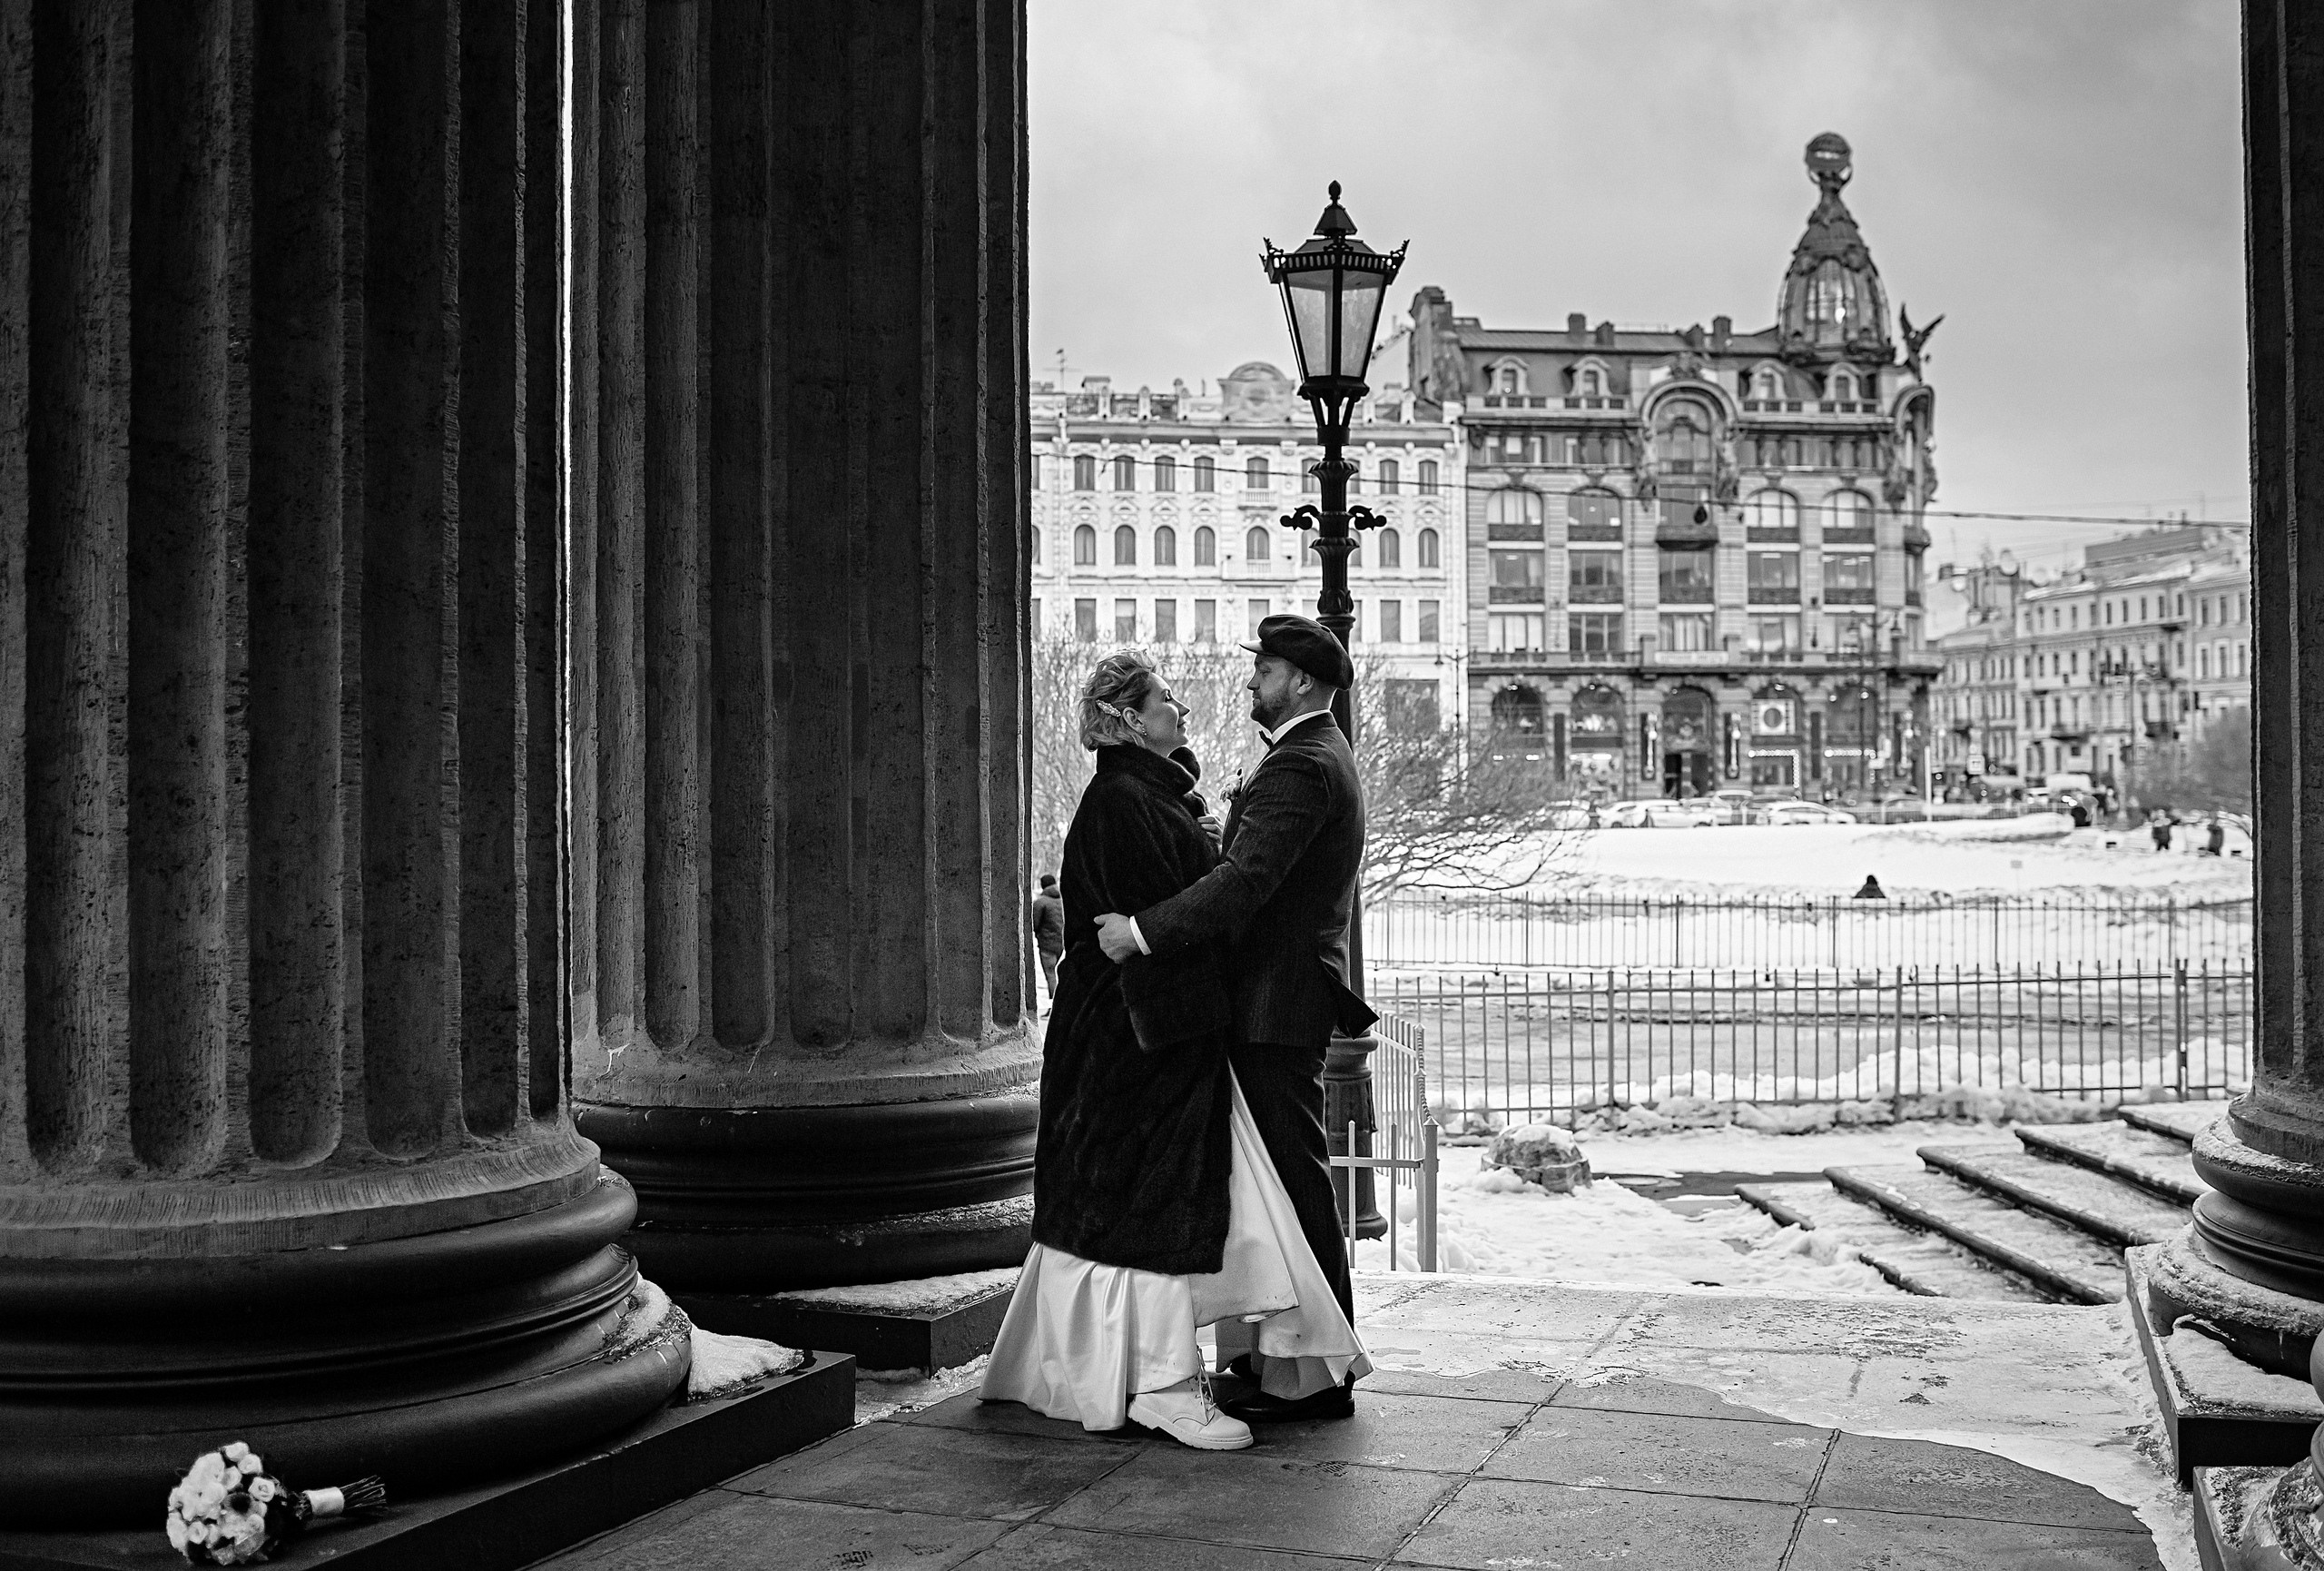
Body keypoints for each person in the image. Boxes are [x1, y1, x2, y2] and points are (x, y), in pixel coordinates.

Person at [980, 650, 1367, 1452]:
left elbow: (1224, 888)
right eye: (1165, 699)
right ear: (1127, 719)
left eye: (1261, 670)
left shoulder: (1171, 790)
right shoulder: (1130, 800)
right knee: (1164, 1204)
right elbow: (1198, 898)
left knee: (1232, 1194)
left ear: (1297, 680)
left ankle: (1267, 1372)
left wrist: (1163, 913)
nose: (1186, 707)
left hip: (1166, 1033)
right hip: (1140, 1039)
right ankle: (1173, 1380)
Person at [1093, 614, 1377, 1425]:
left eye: (1267, 670)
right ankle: (1281, 1364)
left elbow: (1246, 886)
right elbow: (1257, 868)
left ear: (1303, 683)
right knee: (1280, 1192)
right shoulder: (1307, 757)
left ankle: (1320, 1378)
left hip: (1274, 1002)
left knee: (1295, 1186)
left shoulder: (1303, 764)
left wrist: (1140, 931)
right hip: (1273, 998)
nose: (1253, 680)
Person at [1029, 874, 1064, 1007]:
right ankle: (1058, 1004)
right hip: (1061, 944)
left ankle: (1057, 1006)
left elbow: (1035, 924)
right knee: (1056, 973)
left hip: (1047, 944)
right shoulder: (1061, 900)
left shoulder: (1040, 903)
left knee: (1050, 974)